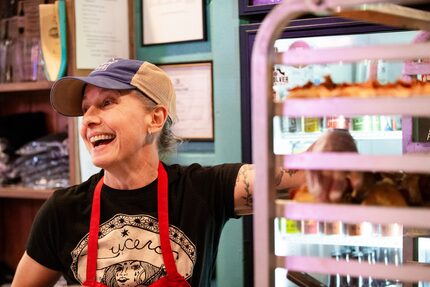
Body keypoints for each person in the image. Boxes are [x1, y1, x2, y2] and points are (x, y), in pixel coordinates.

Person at [11, 58, 357, 287]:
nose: (88, 120)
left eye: (107, 103)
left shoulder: (203, 190)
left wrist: (337, 140)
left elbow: (306, 168)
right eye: (85, 109)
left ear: (156, 118)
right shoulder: (62, 209)